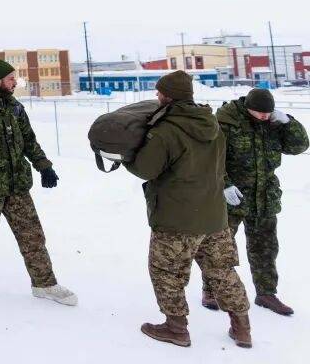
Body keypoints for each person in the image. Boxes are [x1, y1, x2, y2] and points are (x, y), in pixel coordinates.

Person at [126, 70, 252, 348]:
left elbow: (145, 169)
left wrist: (126, 157)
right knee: (222, 270)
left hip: (176, 219)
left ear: (168, 96)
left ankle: (176, 328)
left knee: (166, 271)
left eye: (160, 92)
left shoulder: (165, 131)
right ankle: (242, 328)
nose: (157, 96)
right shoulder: (213, 124)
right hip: (214, 216)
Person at [0, 58, 77, 305]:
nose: (15, 82)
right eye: (11, 79)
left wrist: (44, 166)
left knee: (33, 236)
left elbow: (29, 140)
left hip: (17, 184)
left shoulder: (15, 107)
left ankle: (45, 284)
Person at [195, 87, 307, 316]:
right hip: (232, 197)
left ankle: (266, 293)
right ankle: (211, 290)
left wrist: (289, 123)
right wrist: (224, 184)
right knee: (220, 248)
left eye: (268, 112)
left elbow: (299, 146)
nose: (265, 116)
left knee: (265, 248)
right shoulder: (226, 122)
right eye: (260, 113)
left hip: (264, 196)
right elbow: (209, 157)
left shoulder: (273, 123)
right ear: (248, 108)